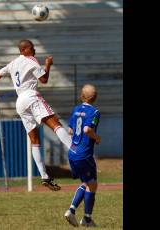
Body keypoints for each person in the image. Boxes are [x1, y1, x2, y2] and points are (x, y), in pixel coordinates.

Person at [0, 39, 72, 191]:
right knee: (55, 124)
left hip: (20, 102)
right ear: (24, 50)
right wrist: (48, 65)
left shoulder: (13, 63)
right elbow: (44, 79)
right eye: (31, 47)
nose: (34, 49)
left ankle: (44, 176)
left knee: (34, 139)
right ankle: (76, 150)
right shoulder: (31, 60)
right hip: (31, 96)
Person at [64, 84, 101, 227]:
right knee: (92, 184)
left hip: (72, 152)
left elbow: (70, 130)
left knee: (87, 182)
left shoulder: (76, 109)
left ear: (81, 96)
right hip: (84, 154)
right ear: (95, 97)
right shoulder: (95, 112)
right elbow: (87, 129)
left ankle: (83, 216)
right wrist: (97, 138)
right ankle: (81, 215)